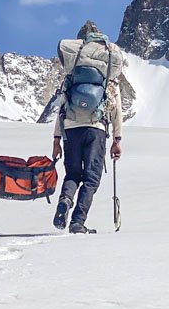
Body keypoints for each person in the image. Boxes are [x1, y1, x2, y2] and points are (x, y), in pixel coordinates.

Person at [51, 21, 123, 234]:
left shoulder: (73, 73)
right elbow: (116, 110)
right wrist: (117, 140)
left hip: (71, 128)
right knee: (91, 179)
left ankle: (65, 199)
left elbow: (62, 106)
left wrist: (56, 139)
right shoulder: (109, 76)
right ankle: (77, 222)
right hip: (95, 129)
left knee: (73, 174)